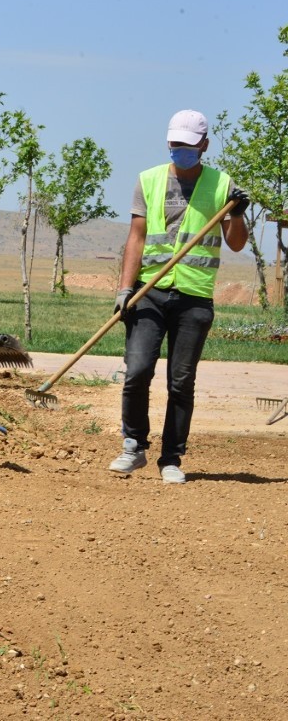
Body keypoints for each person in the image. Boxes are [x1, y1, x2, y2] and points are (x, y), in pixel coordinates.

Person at [110, 109, 249, 484]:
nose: (180, 150)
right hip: (149, 291)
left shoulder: (222, 186)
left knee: (180, 381)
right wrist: (125, 288)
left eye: (188, 145)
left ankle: (171, 458)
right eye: (175, 143)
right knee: (137, 371)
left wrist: (239, 214)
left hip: (194, 299)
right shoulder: (149, 180)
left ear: (203, 145)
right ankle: (133, 446)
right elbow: (136, 237)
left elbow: (236, 244)